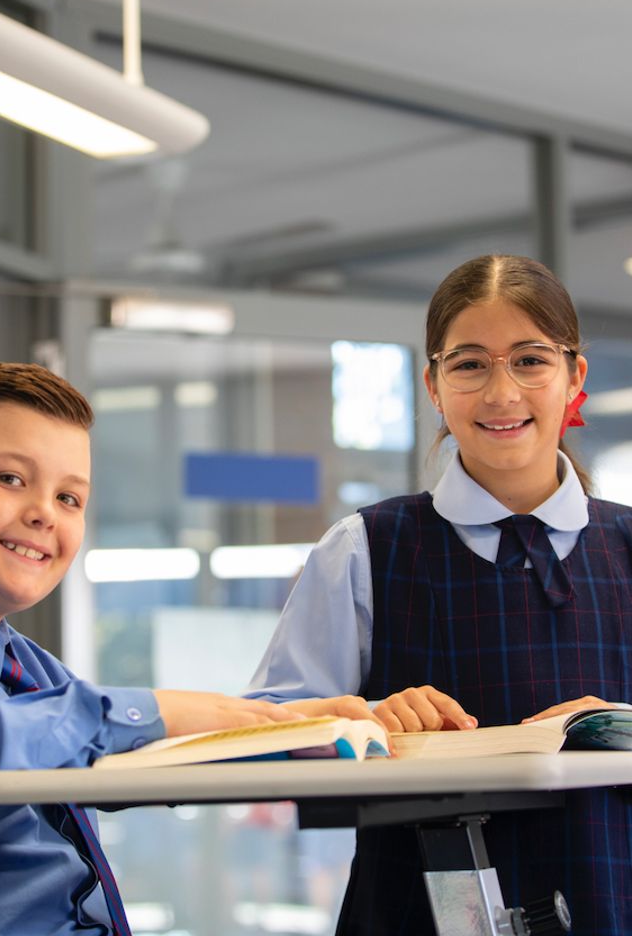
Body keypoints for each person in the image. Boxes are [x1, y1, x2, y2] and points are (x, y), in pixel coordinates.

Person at [0, 362, 375, 935]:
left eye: (69, 498)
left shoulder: (21, 662)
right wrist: (155, 710)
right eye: (11, 479)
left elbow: (120, 755)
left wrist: (293, 726)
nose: (43, 513)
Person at [247, 254, 632, 936]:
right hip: (412, 910)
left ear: (575, 376)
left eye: (530, 361)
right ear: (433, 384)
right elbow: (261, 731)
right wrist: (364, 715)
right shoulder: (366, 547)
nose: (502, 393)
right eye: (470, 363)